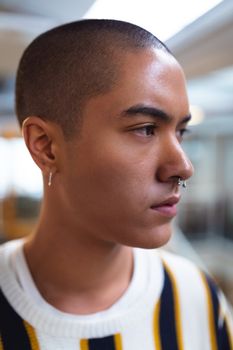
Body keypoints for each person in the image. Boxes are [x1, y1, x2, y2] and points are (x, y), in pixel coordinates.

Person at [0, 19, 232, 350]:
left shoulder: (196, 296)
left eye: (182, 131)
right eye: (146, 128)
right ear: (46, 146)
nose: (183, 167)